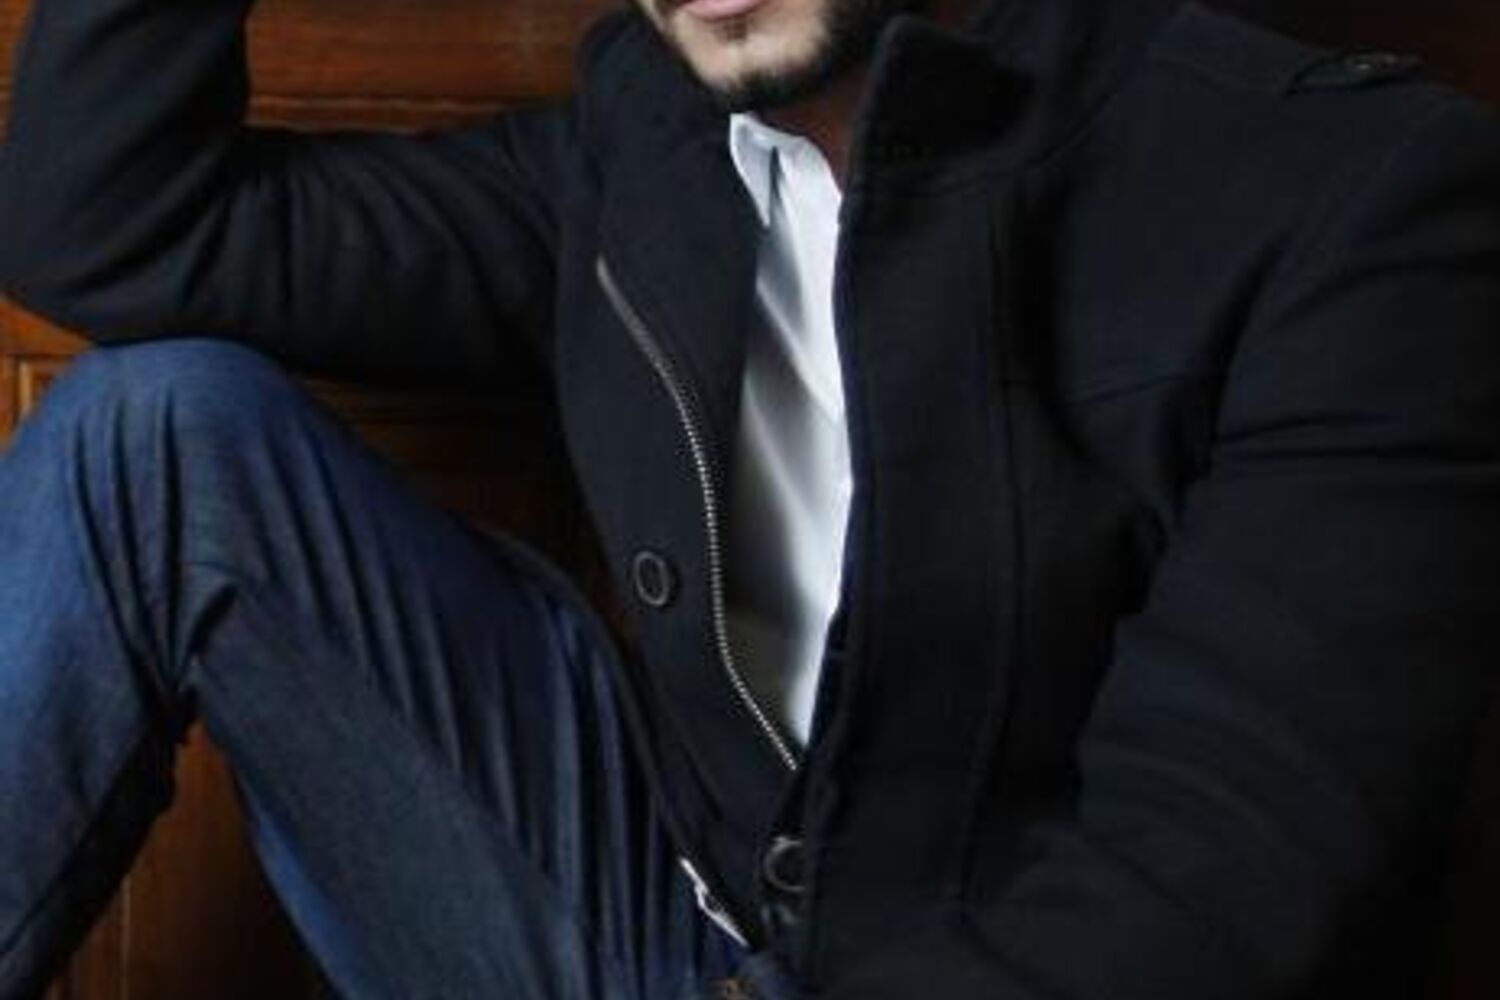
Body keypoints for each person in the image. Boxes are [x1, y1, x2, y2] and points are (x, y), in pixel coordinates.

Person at [0, 0, 1497, 994]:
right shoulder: (646, 144)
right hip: (669, 933)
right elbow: (118, 229)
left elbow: (1219, 888)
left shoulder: (1351, 196)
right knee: (159, 428)